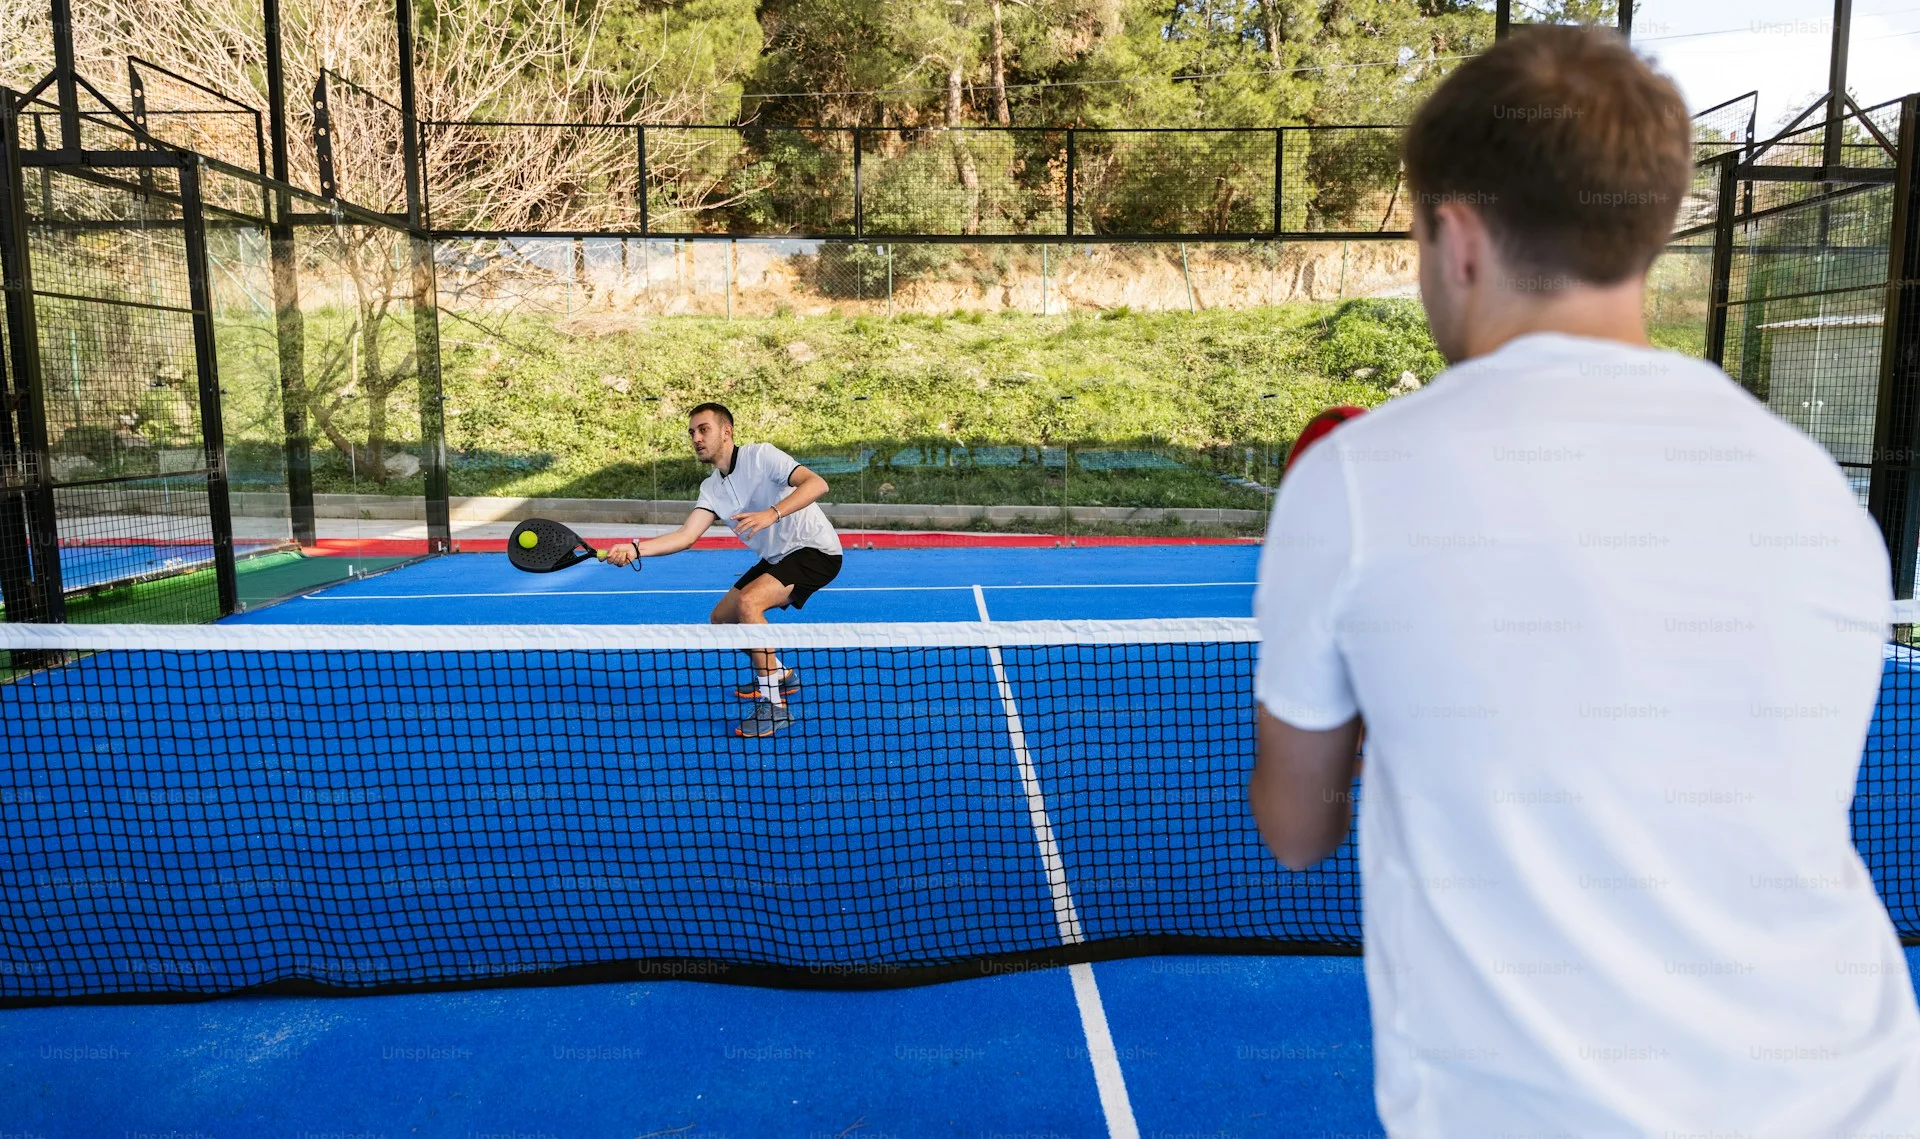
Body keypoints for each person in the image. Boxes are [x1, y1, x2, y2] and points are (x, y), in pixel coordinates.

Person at [1246, 26, 1920, 1138]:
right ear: (1649, 231)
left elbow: (1296, 826)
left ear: (1456, 236)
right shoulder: (1813, 488)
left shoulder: (1359, 481)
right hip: (1853, 1096)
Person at [605, 402, 842, 737]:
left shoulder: (762, 456)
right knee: (722, 620)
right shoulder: (711, 488)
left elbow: (816, 484)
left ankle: (775, 705)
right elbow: (686, 536)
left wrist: (771, 513)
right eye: (691, 433)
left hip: (816, 550)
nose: (696, 438)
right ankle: (779, 673)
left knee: (749, 604)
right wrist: (635, 548)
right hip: (778, 557)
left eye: (704, 429)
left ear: (726, 431)